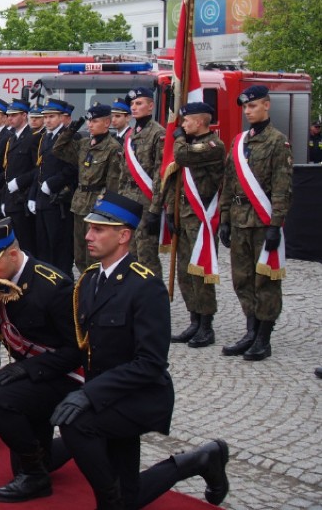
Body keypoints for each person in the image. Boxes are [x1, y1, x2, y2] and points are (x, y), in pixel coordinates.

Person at [50, 191, 230, 510]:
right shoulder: (90, 281)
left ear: (123, 236)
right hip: (107, 396)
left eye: (98, 230)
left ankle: (110, 500)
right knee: (127, 495)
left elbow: (150, 363)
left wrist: (90, 395)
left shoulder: (145, 287)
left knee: (77, 425)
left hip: (140, 397)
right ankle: (200, 460)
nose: (88, 236)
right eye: (89, 228)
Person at [0, 218, 82, 502]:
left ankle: (36, 477)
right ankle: (70, 448)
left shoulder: (53, 287)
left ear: (13, 254)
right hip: (36, 375)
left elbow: (75, 351)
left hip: (66, 376)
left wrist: (27, 368)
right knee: (27, 456)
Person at [219, 85, 293, 361]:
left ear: (266, 105)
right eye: (245, 107)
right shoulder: (239, 142)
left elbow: (282, 187)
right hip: (239, 221)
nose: (248, 111)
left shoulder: (277, 142)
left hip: (263, 222)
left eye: (253, 106)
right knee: (243, 279)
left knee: (266, 280)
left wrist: (276, 224)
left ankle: (264, 337)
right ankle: (250, 330)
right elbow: (228, 184)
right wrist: (224, 219)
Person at [162, 102, 225, 347]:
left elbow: (181, 156)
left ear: (199, 122)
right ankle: (193, 320)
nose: (182, 125)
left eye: (186, 121)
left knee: (201, 270)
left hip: (202, 215)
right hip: (184, 211)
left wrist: (177, 139)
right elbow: (175, 178)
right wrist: (170, 209)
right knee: (185, 271)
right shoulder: (190, 142)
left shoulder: (213, 145)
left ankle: (206, 325)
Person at [53, 102, 122, 273]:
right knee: (79, 254)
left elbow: (113, 184)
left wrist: (106, 212)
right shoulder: (84, 144)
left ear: (107, 123)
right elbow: (58, 149)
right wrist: (70, 130)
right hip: (79, 204)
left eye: (95, 121)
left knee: (94, 254)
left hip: (97, 206)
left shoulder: (113, 148)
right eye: (89, 121)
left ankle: (96, 287)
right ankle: (84, 288)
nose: (90, 125)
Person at [27, 99, 78, 276]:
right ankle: (47, 280)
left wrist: (53, 183)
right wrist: (33, 195)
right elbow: (39, 168)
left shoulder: (69, 137)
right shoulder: (45, 137)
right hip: (43, 199)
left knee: (59, 247)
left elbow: (72, 168)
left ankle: (63, 281)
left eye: (51, 117)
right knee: (43, 245)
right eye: (46, 117)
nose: (47, 121)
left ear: (61, 117)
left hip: (58, 201)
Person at [118, 87, 165, 278]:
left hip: (147, 202)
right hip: (129, 201)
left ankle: (154, 298)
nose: (134, 107)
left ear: (151, 106)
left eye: (139, 103)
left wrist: (155, 209)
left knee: (147, 256)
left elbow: (159, 175)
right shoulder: (130, 135)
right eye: (132, 104)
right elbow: (123, 172)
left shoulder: (158, 133)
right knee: (129, 253)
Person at [0, 99, 40, 256]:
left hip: (22, 197)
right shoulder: (12, 138)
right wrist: (4, 198)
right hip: (11, 198)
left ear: (24, 115)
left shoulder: (32, 137)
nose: (10, 119)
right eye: (9, 115)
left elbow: (37, 169)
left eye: (14, 115)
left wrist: (20, 182)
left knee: (25, 243)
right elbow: (7, 171)